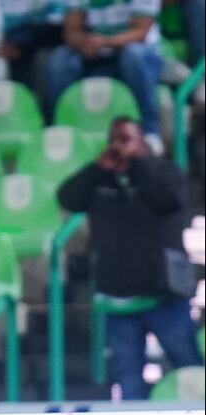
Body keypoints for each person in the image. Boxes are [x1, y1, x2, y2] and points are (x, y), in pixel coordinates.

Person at [57, 117, 203, 400]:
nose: (118, 146)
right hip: (118, 296)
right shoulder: (101, 181)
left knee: (188, 366)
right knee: (127, 377)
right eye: (113, 140)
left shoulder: (163, 172)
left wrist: (136, 163)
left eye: (126, 139)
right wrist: (97, 169)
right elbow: (67, 198)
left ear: (142, 143)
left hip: (164, 294)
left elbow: (168, 200)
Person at [47, 0, 165, 151]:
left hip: (136, 52)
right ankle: (58, 132)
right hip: (95, 53)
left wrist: (105, 42)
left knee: (133, 55)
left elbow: (140, 32)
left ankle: (149, 131)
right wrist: (83, 43)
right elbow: (71, 32)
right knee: (59, 60)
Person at [0, 0, 66, 101]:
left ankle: (43, 115)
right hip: (1, 48)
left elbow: (57, 29)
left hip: (38, 45)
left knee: (45, 60)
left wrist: (22, 48)